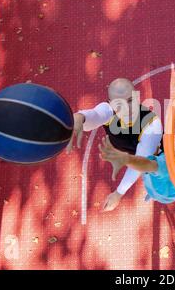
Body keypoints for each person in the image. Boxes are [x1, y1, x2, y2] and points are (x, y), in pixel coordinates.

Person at [67, 78, 163, 211]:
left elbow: (141, 162)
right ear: (111, 103)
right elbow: (94, 115)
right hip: (127, 149)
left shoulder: (152, 125)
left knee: (155, 176)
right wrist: (79, 117)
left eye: (130, 100)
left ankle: (156, 193)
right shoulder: (107, 110)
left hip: (150, 154)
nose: (127, 108)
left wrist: (118, 193)